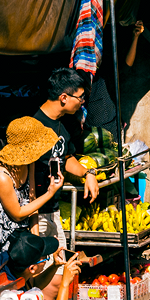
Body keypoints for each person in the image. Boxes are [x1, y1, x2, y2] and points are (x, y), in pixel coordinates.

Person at [0, 117, 66, 270]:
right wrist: (49, 193)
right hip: (1, 246)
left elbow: (32, 202)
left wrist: (37, 245)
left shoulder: (28, 163)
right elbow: (18, 214)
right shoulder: (0, 176)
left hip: (22, 242)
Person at [34, 69, 99, 238]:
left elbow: (66, 158)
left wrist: (88, 173)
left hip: (52, 209)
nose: (82, 102)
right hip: (35, 213)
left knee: (61, 262)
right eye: (80, 97)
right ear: (64, 98)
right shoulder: (34, 127)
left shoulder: (62, 126)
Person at [2, 229, 86, 300]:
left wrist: (54, 266)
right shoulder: (13, 296)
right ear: (32, 268)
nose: (47, 259)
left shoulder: (14, 263)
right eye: (46, 257)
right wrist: (65, 283)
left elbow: (34, 284)